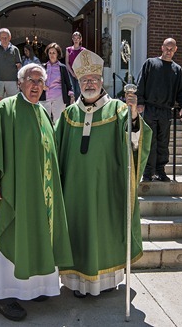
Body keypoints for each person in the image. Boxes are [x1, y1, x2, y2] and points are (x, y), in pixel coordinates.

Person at [0, 63, 73, 322]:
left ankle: (33, 287)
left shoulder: (43, 113)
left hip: (38, 193)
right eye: (31, 80)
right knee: (11, 235)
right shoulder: (5, 108)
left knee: (35, 236)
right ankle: (4, 294)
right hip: (10, 191)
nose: (36, 86)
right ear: (20, 82)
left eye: (40, 82)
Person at [55, 49, 152, 298]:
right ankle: (77, 283)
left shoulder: (118, 110)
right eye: (85, 80)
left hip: (107, 188)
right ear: (78, 83)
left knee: (103, 231)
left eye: (94, 80)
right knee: (78, 232)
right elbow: (54, 151)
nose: (90, 84)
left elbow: (135, 144)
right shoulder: (67, 115)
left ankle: (107, 282)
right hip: (74, 192)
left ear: (102, 82)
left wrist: (133, 117)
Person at [136, 37, 182, 182]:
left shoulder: (177, 70)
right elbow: (141, 83)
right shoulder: (150, 63)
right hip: (150, 108)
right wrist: (139, 101)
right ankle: (148, 172)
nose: (168, 51)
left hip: (166, 110)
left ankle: (160, 171)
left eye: (171, 49)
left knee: (163, 142)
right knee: (149, 141)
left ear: (175, 50)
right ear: (162, 47)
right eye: (166, 48)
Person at [40, 42, 74, 123]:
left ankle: (57, 136)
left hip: (59, 97)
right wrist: (42, 85)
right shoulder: (43, 67)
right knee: (44, 121)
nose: (52, 55)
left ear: (57, 54)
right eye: (50, 53)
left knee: (58, 121)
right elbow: (38, 81)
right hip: (45, 98)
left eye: (54, 53)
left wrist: (72, 96)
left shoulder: (62, 68)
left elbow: (69, 84)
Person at [0, 28, 22, 101]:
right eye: (2, 37)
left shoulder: (15, 49)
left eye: (6, 37)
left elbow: (19, 66)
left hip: (12, 81)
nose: (4, 39)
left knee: (13, 101)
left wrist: (20, 79)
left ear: (9, 38)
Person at [65, 31, 85, 100]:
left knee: (79, 90)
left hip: (80, 73)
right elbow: (67, 63)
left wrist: (79, 73)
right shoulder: (68, 49)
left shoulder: (83, 50)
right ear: (72, 39)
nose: (76, 40)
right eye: (74, 38)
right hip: (70, 73)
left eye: (78, 38)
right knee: (72, 90)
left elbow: (84, 63)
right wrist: (73, 73)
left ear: (80, 39)